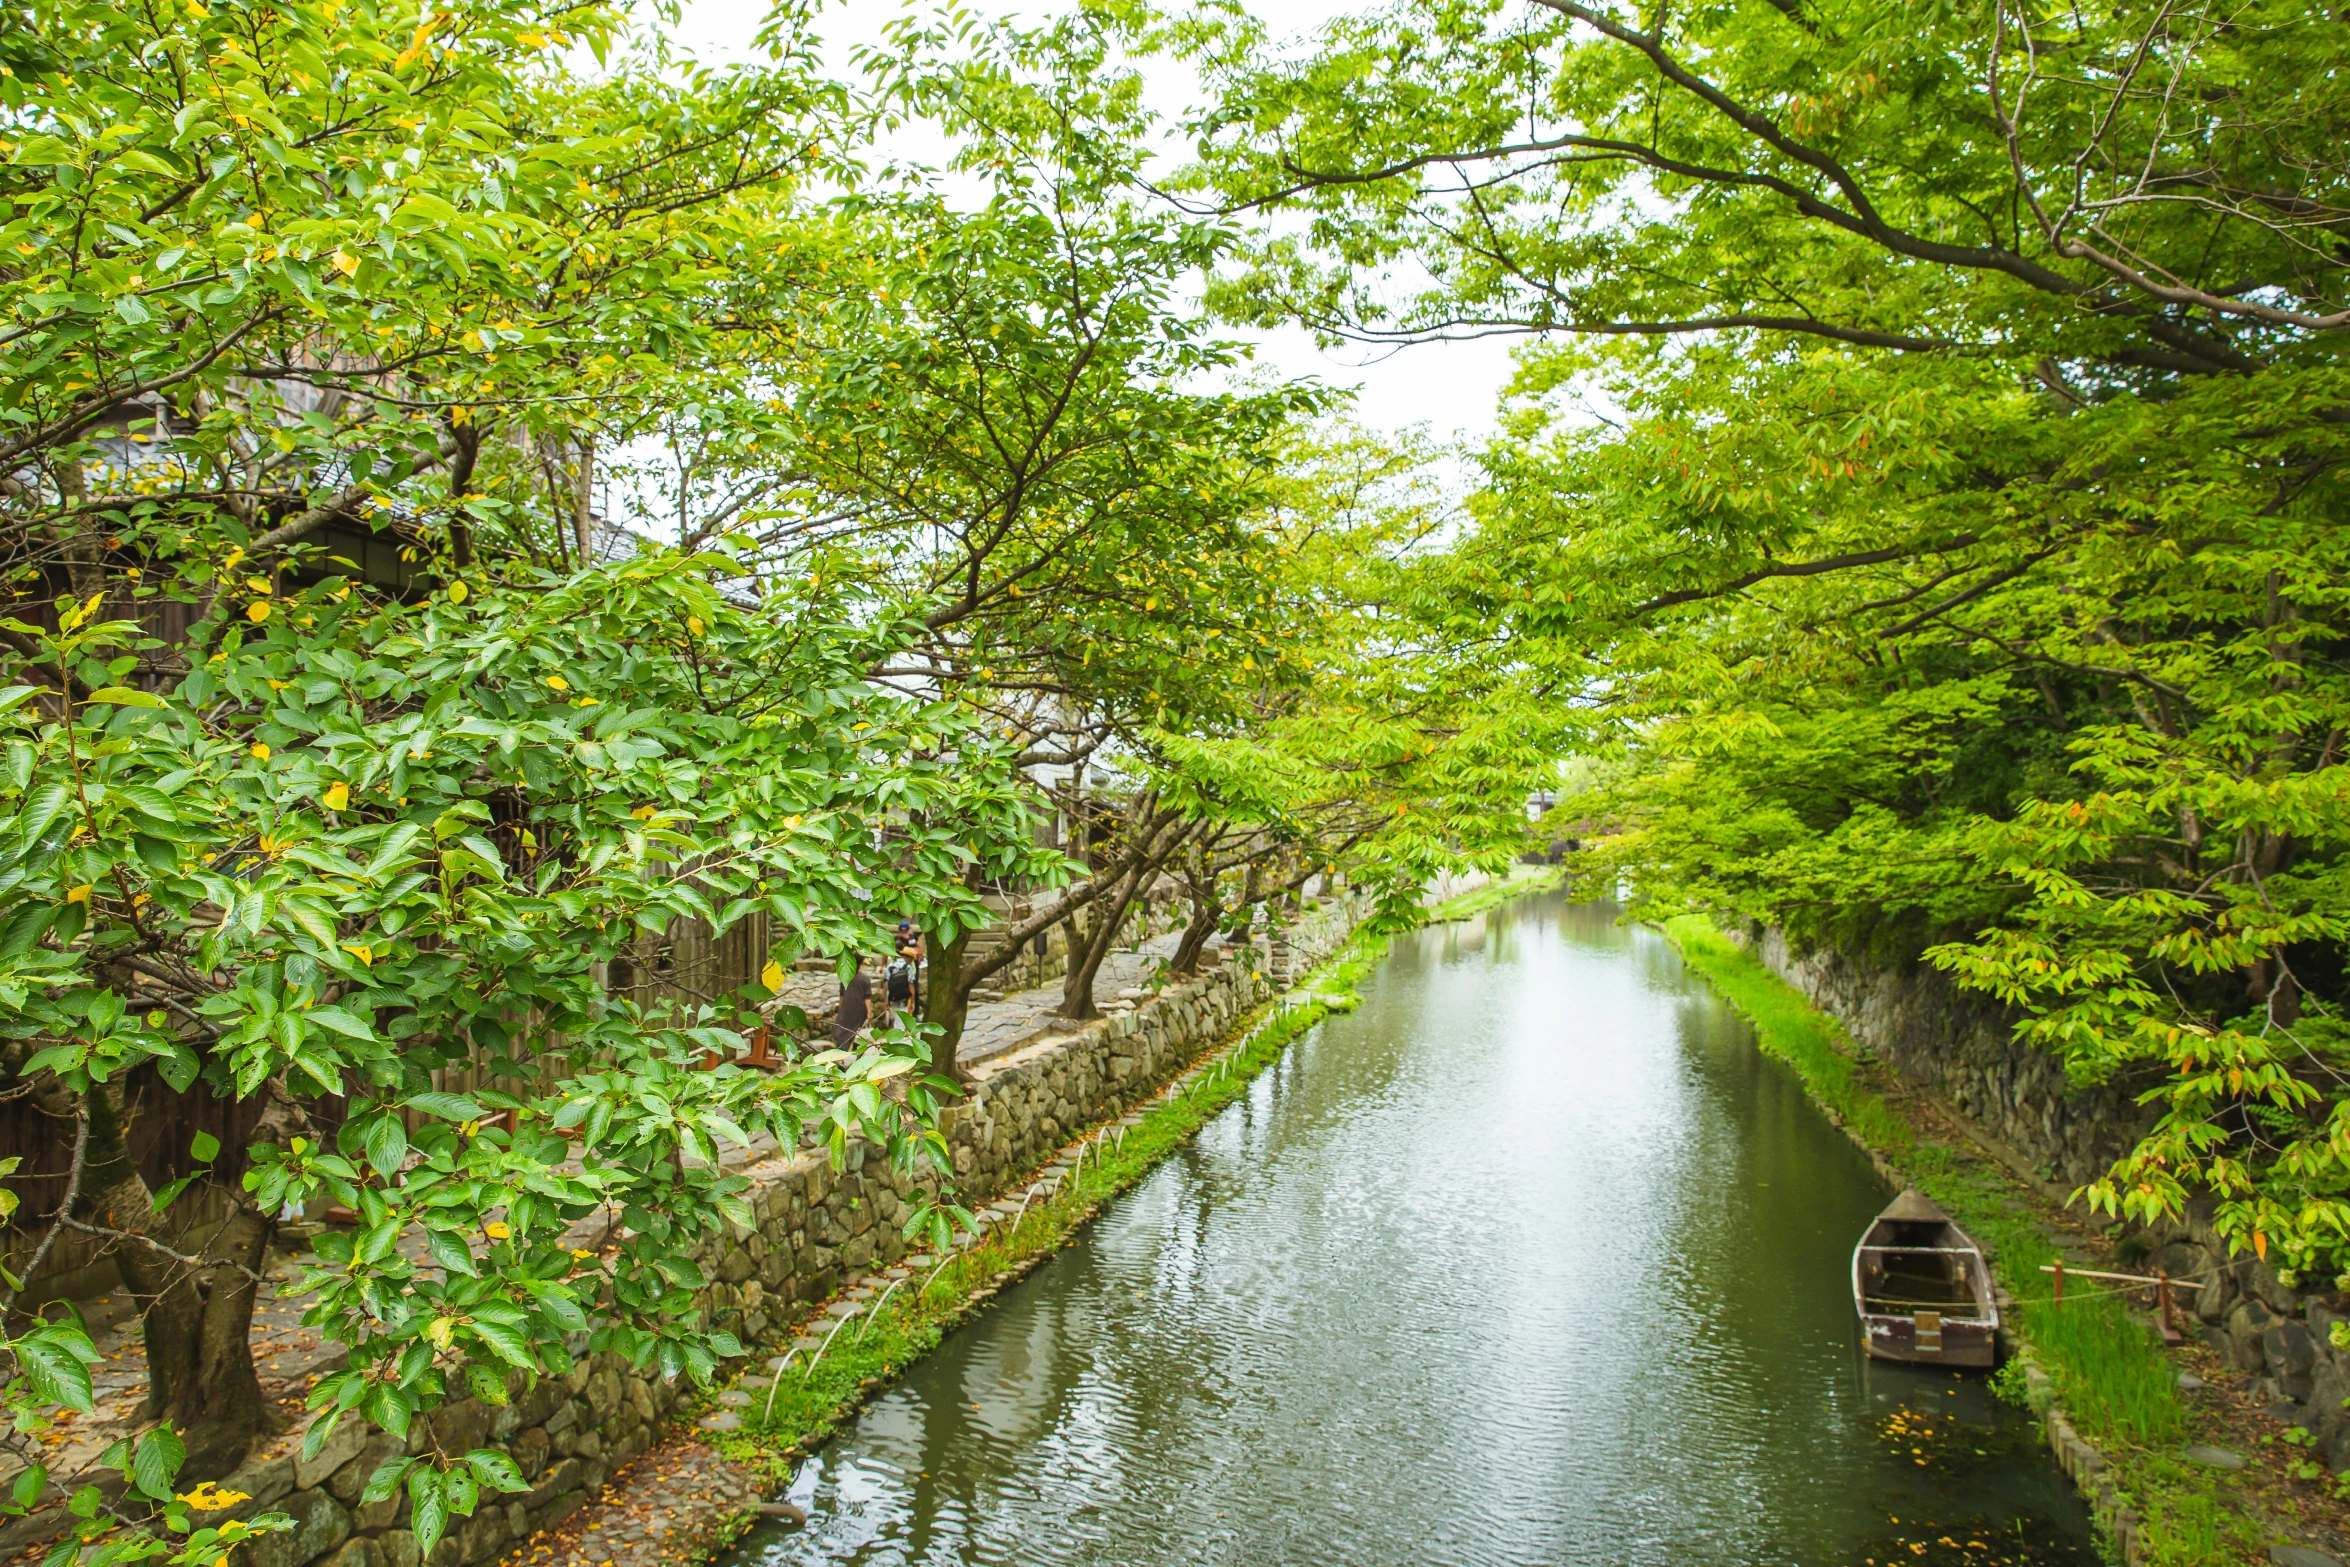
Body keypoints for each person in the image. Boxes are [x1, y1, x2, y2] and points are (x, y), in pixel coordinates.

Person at [833, 957, 873, 1050]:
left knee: (843, 1033)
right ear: (860, 965)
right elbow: (867, 997)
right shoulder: (864, 979)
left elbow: (841, 995)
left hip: (846, 1009)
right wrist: (869, 1012)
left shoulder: (845, 977)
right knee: (856, 1032)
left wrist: (840, 1009)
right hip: (860, 1010)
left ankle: (839, 1056)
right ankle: (856, 1054)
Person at [886, 920, 923, 1015]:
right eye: (902, 930)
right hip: (897, 966)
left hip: (911, 965)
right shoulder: (895, 939)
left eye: (905, 930)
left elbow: (919, 949)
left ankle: (915, 1011)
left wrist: (919, 959)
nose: (903, 932)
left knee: (913, 987)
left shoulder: (913, 938)